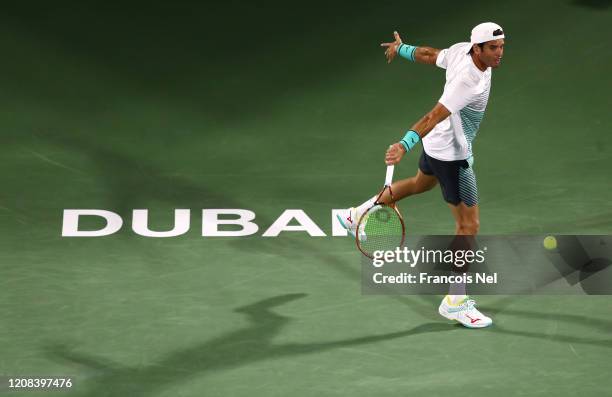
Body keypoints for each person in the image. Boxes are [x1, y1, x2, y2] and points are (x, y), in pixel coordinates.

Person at [338, 22, 505, 328]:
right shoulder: (469, 81)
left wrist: (400, 48)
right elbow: (433, 115)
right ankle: (455, 300)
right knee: (468, 226)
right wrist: (404, 144)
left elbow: (430, 55)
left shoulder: (459, 52)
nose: (499, 53)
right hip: (453, 154)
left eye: (502, 46)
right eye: (493, 48)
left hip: (436, 143)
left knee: (419, 184)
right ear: (478, 48)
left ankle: (355, 215)